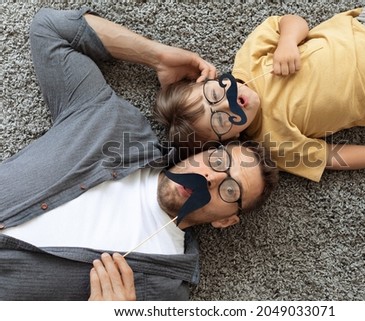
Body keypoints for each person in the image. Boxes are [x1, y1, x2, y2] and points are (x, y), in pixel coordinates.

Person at [0, 8, 278, 301]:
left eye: (230, 188)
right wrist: (156, 56)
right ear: (200, 154)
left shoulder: (162, 290)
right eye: (219, 162)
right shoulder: (112, 123)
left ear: (226, 221)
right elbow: (51, 29)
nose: (210, 177)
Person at [154, 0, 365, 182]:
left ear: (207, 80)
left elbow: (290, 21)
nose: (230, 106)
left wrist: (288, 42)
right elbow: (332, 157)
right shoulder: (274, 144)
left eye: (215, 96)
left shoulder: (248, 59)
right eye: (221, 121)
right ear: (228, 141)